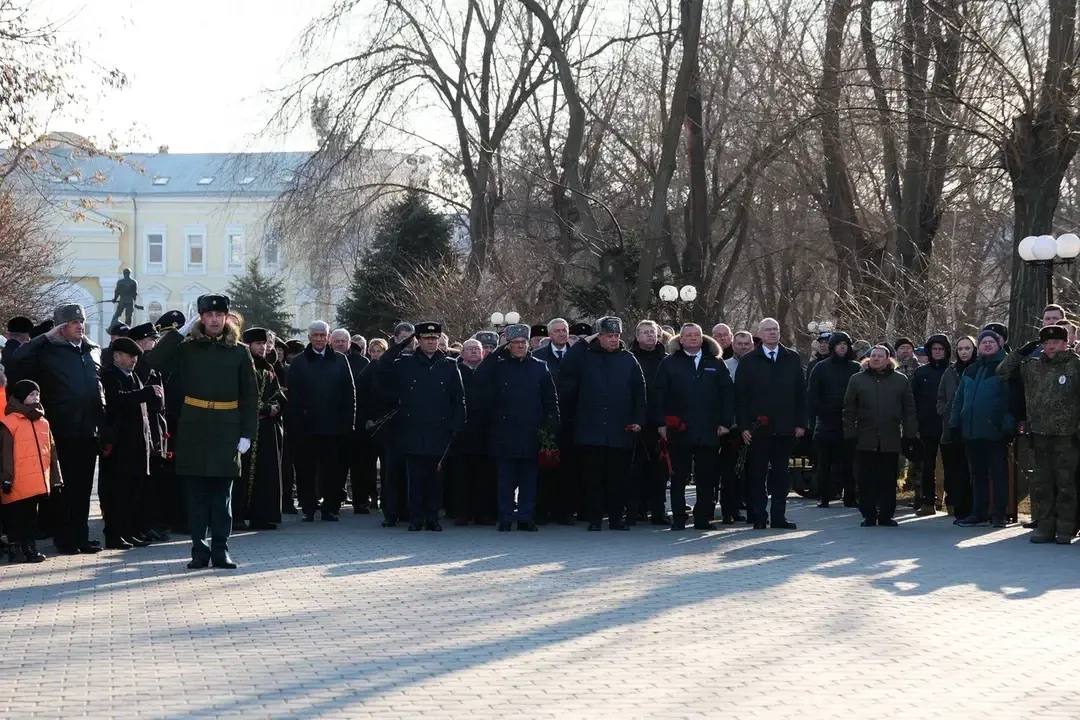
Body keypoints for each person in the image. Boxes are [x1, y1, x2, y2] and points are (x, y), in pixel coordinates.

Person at [146, 294, 258, 569]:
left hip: (226, 429)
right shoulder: (187, 348)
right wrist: (180, 333)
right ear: (201, 317)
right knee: (196, 498)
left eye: (219, 315)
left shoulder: (240, 351)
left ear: (226, 318)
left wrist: (247, 433)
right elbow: (153, 362)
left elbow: (250, 396)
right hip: (195, 428)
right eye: (208, 315)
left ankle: (221, 550)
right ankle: (199, 550)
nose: (214, 319)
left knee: (222, 498)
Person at [12, 304, 104, 555]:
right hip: (62, 429)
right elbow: (16, 359)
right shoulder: (47, 350)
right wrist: (44, 338)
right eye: (73, 322)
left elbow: (98, 386)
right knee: (64, 489)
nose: (79, 326)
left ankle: (81, 537)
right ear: (60, 328)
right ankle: (65, 539)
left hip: (88, 428)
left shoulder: (92, 350)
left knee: (84, 487)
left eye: (81, 321)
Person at [376, 321, 466, 532]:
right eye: (427, 338)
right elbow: (383, 364)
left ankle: (433, 518)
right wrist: (405, 340)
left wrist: (457, 425)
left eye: (435, 339)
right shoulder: (405, 363)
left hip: (439, 431)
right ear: (419, 340)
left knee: (436, 480)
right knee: (414, 479)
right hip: (412, 430)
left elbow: (459, 399)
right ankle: (416, 518)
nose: (432, 342)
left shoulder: (450, 365)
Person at [559, 316, 646, 531]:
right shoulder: (585, 357)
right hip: (591, 429)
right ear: (599, 337)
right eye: (608, 336)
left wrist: (637, 420)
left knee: (618, 478)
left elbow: (639, 391)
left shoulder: (628, 359)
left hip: (620, 429)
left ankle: (617, 518)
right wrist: (583, 342)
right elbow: (567, 368)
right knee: (592, 478)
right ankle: (595, 518)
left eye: (616, 336)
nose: (613, 340)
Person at [998, 324, 1080, 543]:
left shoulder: (1075, 366)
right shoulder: (1032, 366)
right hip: (1039, 434)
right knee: (1043, 483)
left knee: (1066, 484)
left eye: (1055, 342)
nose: (1050, 347)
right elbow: (1002, 371)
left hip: (1067, 435)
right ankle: (1045, 527)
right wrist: (1022, 351)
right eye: (1046, 343)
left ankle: (1065, 528)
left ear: (1066, 344)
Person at [478, 324, 559, 532]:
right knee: (505, 480)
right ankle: (505, 517)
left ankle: (525, 517)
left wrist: (550, 427)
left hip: (531, 432)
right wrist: (498, 348)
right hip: (504, 432)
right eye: (515, 343)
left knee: (529, 480)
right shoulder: (499, 366)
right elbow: (481, 374)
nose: (520, 346)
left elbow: (551, 400)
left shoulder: (540, 367)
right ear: (509, 346)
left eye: (523, 343)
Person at [653, 323, 734, 530]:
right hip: (679, 429)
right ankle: (679, 518)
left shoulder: (716, 363)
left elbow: (727, 395)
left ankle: (702, 518)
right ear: (681, 340)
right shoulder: (669, 364)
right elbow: (658, 395)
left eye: (696, 335)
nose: (692, 338)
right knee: (678, 477)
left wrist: (725, 422)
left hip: (709, 430)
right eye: (688, 335)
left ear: (702, 338)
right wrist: (661, 423)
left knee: (706, 477)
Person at [734, 317, 806, 530]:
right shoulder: (749, 360)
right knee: (757, 474)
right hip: (758, 429)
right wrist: (744, 426)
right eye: (768, 330)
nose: (773, 333)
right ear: (760, 334)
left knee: (781, 474)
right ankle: (758, 516)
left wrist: (801, 423)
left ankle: (779, 516)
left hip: (785, 428)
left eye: (776, 329)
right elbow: (740, 397)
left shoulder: (791, 358)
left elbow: (801, 394)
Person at [287, 321, 356, 522]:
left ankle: (330, 508)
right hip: (306, 428)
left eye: (322, 335)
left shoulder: (340, 360)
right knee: (305, 470)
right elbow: (294, 396)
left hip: (334, 427)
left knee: (333, 470)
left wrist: (348, 423)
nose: (319, 339)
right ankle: (308, 507)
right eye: (315, 335)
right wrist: (296, 424)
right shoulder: (299, 362)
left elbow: (349, 394)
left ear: (328, 337)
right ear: (309, 337)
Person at [843, 346, 918, 526]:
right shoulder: (857, 380)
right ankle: (868, 514)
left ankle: (886, 514)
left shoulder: (900, 380)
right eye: (873, 356)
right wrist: (849, 434)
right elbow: (848, 410)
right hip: (864, 437)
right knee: (865, 478)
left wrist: (909, 435)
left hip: (890, 438)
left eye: (880, 356)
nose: (876, 359)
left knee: (888, 478)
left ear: (888, 359)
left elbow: (909, 410)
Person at [949, 329, 1014, 528]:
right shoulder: (971, 369)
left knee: (998, 473)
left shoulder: (1004, 368)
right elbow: (959, 399)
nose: (987, 345)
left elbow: (1011, 400)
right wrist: (954, 423)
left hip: (994, 431)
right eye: (983, 342)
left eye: (991, 342)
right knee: (977, 475)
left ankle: (999, 514)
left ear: (998, 345)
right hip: (971, 430)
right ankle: (979, 512)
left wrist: (1007, 425)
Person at [99, 337, 156, 549]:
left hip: (137, 446)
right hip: (119, 447)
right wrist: (145, 393)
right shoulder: (109, 376)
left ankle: (129, 531)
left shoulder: (133, 376)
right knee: (117, 493)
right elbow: (116, 400)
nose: (133, 360)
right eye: (129, 356)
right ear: (117, 356)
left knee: (133, 492)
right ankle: (114, 535)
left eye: (135, 357)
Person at [1, 380, 63, 562]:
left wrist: (55, 478)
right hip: (17, 480)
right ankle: (18, 549)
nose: (35, 397)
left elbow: (52, 452)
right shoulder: (9, 423)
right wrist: (5, 479)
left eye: (37, 394)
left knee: (31, 518)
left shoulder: (43, 422)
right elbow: (5, 454)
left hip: (37, 480)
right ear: (20, 397)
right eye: (31, 394)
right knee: (17, 518)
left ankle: (30, 548)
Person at [235, 328, 285, 530]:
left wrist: (277, 406)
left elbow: (277, 393)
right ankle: (237, 515)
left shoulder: (268, 369)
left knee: (265, 473)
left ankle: (261, 515)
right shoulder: (240, 366)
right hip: (243, 427)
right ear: (248, 345)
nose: (263, 348)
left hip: (266, 429)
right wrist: (264, 407)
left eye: (264, 344)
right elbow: (237, 397)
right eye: (258, 344)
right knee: (241, 473)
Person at [806, 331, 860, 508]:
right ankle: (824, 496)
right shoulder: (820, 368)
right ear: (833, 347)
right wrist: (820, 412)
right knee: (824, 463)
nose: (842, 347)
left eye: (845, 344)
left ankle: (850, 496)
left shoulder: (855, 368)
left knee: (849, 463)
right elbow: (812, 395)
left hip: (849, 421)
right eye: (839, 344)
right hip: (826, 421)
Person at [127, 323, 170, 542]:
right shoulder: (140, 364)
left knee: (156, 481)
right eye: (151, 340)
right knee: (146, 482)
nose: (155, 344)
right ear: (140, 342)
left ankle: (153, 523)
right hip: (145, 428)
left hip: (157, 426)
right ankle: (144, 525)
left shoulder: (152, 364)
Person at [533, 318, 578, 524]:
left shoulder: (578, 355)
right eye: (557, 331)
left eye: (564, 330)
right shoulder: (539, 356)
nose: (562, 334)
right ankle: (542, 511)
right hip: (546, 421)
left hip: (572, 419)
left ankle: (565, 512)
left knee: (568, 469)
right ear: (549, 335)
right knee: (544, 467)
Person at [449, 339, 495, 525]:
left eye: (478, 349)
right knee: (462, 476)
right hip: (463, 432)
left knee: (485, 476)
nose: (475, 352)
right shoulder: (455, 371)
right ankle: (462, 513)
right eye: (470, 349)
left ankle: (484, 513)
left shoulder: (490, 372)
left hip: (486, 432)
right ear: (463, 353)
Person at [628, 319, 668, 525]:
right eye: (644, 332)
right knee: (634, 471)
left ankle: (659, 512)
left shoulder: (667, 360)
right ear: (637, 337)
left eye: (652, 332)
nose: (649, 335)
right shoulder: (628, 358)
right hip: (636, 424)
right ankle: (635, 511)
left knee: (659, 472)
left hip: (660, 424)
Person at [335, 328, 375, 513]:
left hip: (359, 422)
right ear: (330, 341)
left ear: (350, 342)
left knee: (361, 466)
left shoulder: (363, 362)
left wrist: (367, 418)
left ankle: (361, 501)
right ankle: (334, 501)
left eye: (344, 340)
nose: (341, 344)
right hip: (336, 424)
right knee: (336, 465)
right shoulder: (327, 360)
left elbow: (369, 393)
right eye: (337, 341)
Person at [911, 334, 952, 516]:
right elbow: (912, 400)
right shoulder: (921, 373)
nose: (937, 352)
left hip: (948, 425)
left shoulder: (952, 371)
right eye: (934, 349)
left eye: (941, 349)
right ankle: (928, 501)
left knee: (952, 465)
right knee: (927, 465)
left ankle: (952, 501)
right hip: (927, 425)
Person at [936, 335, 975, 520]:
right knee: (954, 469)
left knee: (971, 469)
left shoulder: (978, 369)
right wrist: (945, 410)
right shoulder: (950, 371)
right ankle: (957, 507)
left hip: (974, 426)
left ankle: (973, 508)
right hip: (951, 428)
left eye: (968, 348)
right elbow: (941, 396)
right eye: (960, 349)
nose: (964, 352)